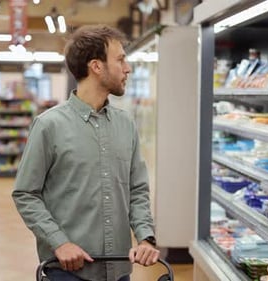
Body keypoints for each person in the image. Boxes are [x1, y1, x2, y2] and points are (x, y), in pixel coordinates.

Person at [12, 25, 159, 281]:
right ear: (96, 66)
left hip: (119, 269)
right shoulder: (49, 125)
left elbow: (137, 189)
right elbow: (26, 193)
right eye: (121, 59)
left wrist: (145, 238)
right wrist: (59, 243)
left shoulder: (126, 125)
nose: (128, 68)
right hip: (68, 271)